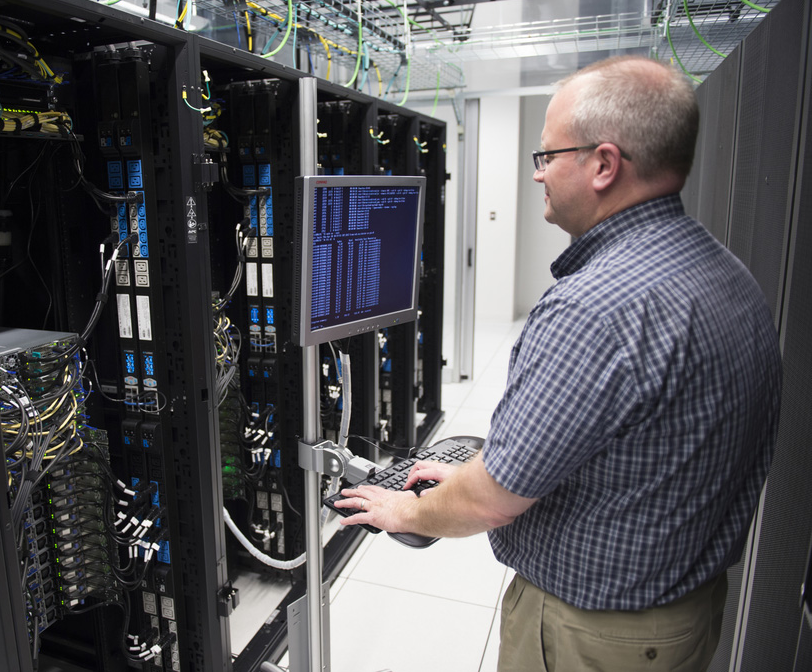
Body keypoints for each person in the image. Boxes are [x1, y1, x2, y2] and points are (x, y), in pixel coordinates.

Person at [335, 56, 782, 671]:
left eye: (548, 156)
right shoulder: (725, 271)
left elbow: (493, 499)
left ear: (603, 164)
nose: (539, 174)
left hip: (596, 637)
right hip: (681, 615)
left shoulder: (596, 306)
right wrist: (470, 476)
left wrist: (409, 509)